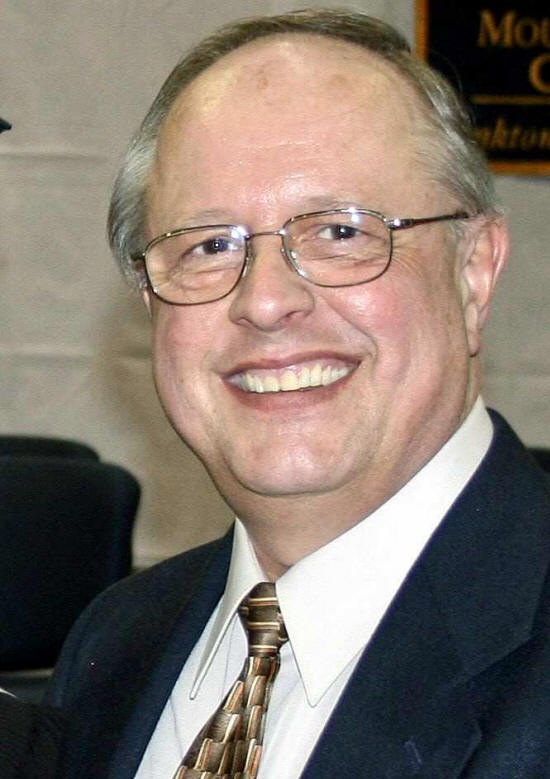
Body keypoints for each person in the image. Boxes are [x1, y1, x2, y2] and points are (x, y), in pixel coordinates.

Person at [46, 8, 550, 778]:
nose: (266, 300)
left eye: (341, 231)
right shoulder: (112, 644)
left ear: (474, 270)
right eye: (210, 245)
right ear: (150, 299)